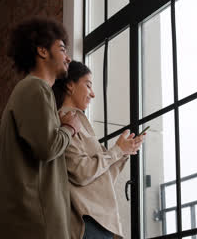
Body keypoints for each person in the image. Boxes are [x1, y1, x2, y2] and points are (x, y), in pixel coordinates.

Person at [0, 17, 81, 239]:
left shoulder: (31, 90)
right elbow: (47, 147)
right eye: (62, 49)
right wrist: (70, 128)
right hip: (37, 223)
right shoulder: (35, 88)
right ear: (42, 51)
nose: (68, 57)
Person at [52, 61, 145, 239]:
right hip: (88, 221)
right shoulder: (64, 121)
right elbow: (81, 171)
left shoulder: (81, 121)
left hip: (101, 222)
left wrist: (124, 151)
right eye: (88, 85)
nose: (93, 94)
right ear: (70, 85)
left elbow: (102, 177)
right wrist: (116, 151)